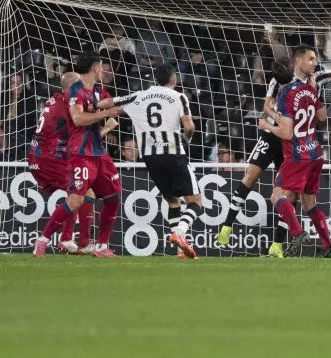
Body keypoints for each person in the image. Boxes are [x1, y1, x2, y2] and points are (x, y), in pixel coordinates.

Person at [33, 53, 123, 258]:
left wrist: (129, 103)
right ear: (95, 68)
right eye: (102, 66)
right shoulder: (74, 91)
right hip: (79, 154)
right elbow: (79, 118)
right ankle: (44, 240)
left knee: (114, 196)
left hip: (99, 153)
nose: (104, 70)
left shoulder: (97, 91)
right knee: (76, 200)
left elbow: (106, 103)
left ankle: (100, 246)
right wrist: (106, 116)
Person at [113, 65, 203, 259]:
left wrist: (94, 104)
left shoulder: (140, 96)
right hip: (173, 152)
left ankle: (181, 251)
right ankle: (179, 233)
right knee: (196, 202)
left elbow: (108, 103)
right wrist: (186, 139)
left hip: (149, 157)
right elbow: (189, 126)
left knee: (172, 201)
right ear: (173, 78)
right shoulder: (178, 96)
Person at [259, 45, 331, 258]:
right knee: (309, 204)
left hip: (297, 154)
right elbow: (323, 117)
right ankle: (329, 247)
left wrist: (267, 126)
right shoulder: (310, 89)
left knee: (277, 196)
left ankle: (297, 232)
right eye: (310, 58)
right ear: (297, 63)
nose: (314, 63)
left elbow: (286, 133)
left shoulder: (285, 93)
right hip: (315, 153)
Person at [217, 57, 294, 253]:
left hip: (290, 142)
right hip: (270, 136)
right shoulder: (275, 81)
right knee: (249, 177)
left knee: (288, 193)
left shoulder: (303, 84)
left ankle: (277, 245)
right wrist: (278, 119)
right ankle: (226, 227)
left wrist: (281, 121)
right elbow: (267, 106)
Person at [27, 72, 91, 254]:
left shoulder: (56, 99)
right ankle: (50, 240)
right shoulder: (67, 106)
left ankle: (67, 239)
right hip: (49, 158)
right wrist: (107, 124)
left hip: (38, 157)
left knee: (77, 192)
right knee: (84, 191)